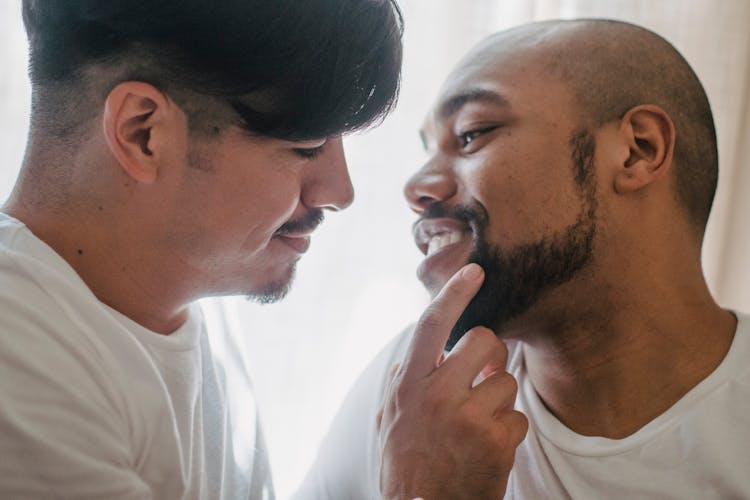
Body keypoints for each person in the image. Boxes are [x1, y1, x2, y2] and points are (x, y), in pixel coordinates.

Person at [1, 1, 527, 498]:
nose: (339, 193)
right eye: (305, 149)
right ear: (144, 132)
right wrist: (423, 488)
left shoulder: (192, 308)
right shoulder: (19, 364)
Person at [296, 18, 750, 499]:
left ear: (637, 151)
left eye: (472, 134)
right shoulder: (418, 395)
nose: (415, 188)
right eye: (429, 149)